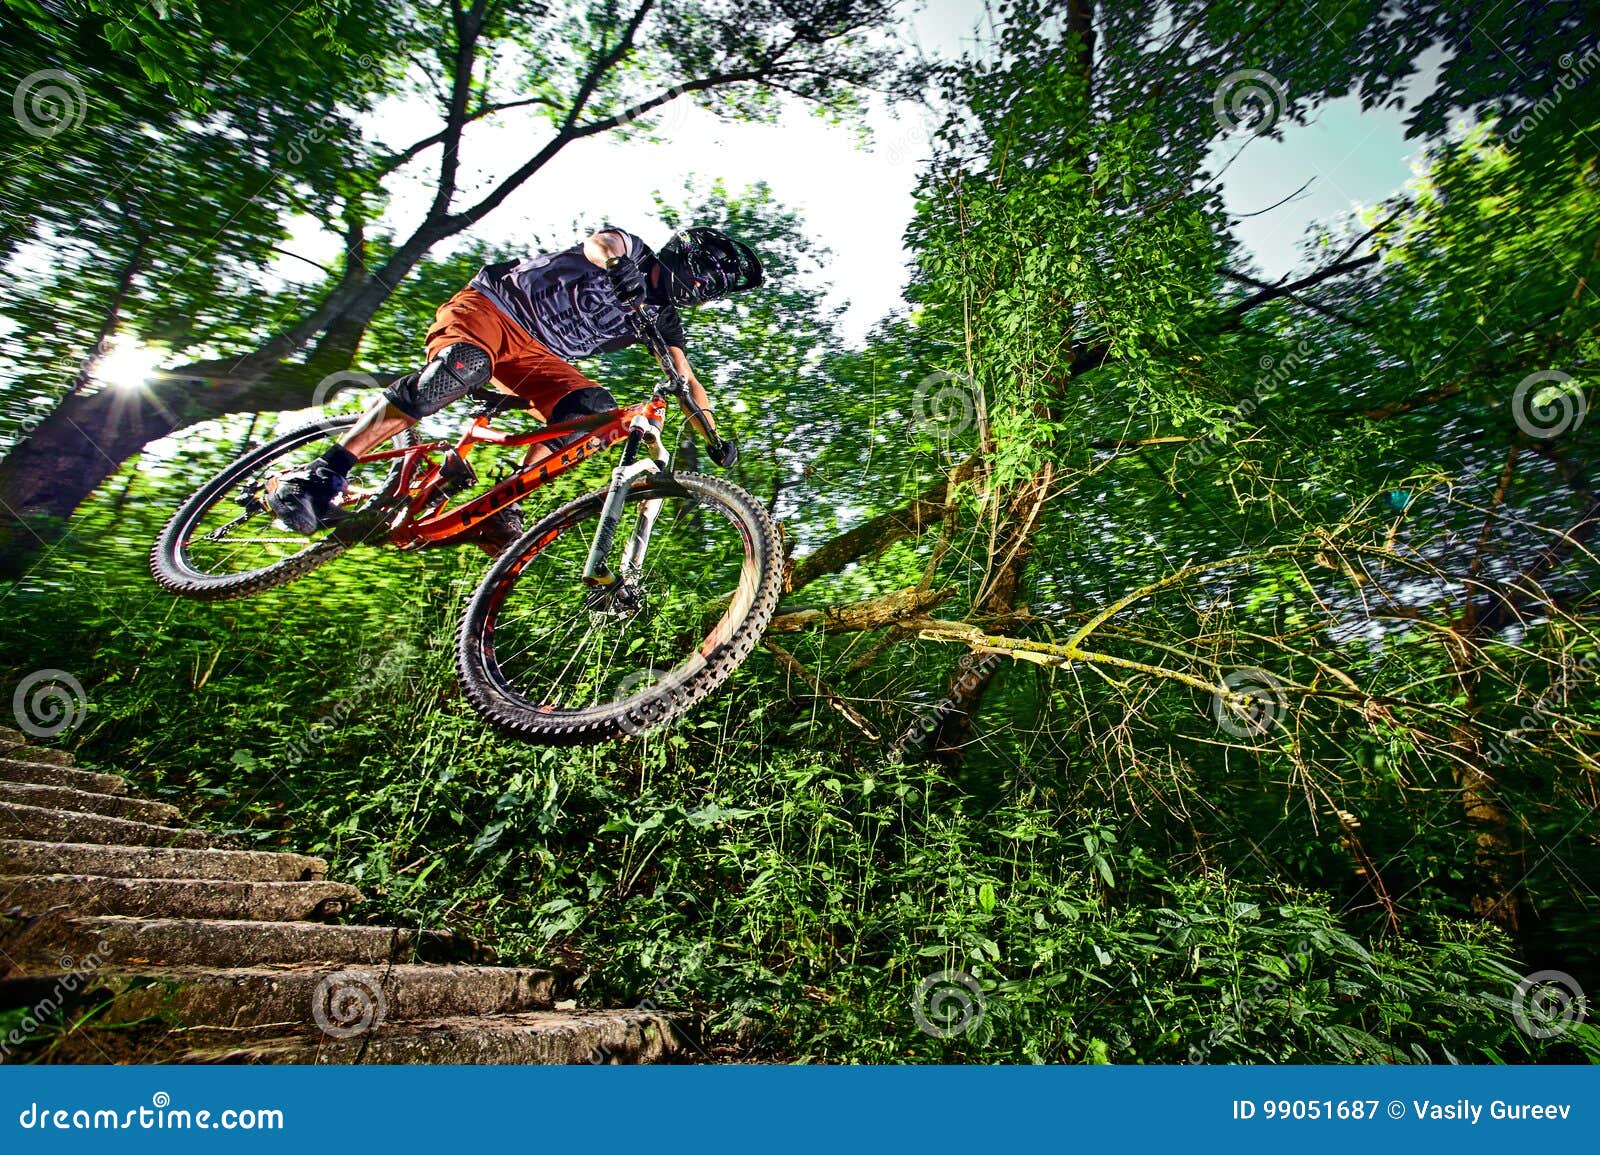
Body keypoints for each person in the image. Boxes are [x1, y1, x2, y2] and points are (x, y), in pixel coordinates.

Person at [264, 226, 762, 554]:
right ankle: (319, 475)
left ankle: (502, 509)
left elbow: (685, 381)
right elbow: (600, 243)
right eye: (705, 276)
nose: (702, 290)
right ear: (685, 255)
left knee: (595, 412)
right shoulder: (631, 249)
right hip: (492, 310)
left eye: (712, 289)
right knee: (463, 366)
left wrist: (714, 439)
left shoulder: (663, 320)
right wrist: (618, 268)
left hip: (537, 360)